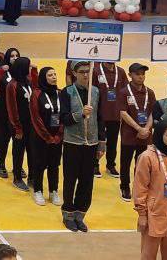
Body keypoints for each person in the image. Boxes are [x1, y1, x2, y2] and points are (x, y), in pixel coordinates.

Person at [134, 119, 167, 260]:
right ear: (159, 135)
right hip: (154, 214)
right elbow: (140, 188)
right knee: (148, 256)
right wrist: (142, 214)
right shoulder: (147, 157)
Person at [60, 61, 104, 233]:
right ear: (74, 73)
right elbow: (64, 118)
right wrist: (80, 114)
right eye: (82, 72)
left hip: (91, 143)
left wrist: (101, 143)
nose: (86, 75)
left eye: (88, 71)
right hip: (72, 142)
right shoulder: (67, 92)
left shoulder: (96, 92)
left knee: (87, 181)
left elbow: (100, 118)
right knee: (70, 179)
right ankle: (68, 214)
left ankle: (80, 214)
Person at [118, 63, 156, 202]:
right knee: (125, 162)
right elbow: (123, 113)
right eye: (137, 74)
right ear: (130, 75)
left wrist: (146, 129)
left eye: (143, 74)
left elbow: (152, 112)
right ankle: (124, 186)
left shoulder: (149, 92)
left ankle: (139, 186)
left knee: (142, 163)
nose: (141, 77)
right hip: (129, 134)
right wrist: (139, 129)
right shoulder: (124, 92)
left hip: (145, 135)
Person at [27, 66, 63, 206]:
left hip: (57, 137)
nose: (54, 77)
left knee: (54, 165)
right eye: (50, 75)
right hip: (40, 137)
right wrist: (47, 136)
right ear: (43, 78)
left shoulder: (60, 93)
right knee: (39, 164)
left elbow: (63, 115)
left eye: (54, 74)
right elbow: (35, 118)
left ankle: (53, 191)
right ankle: (38, 190)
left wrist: (59, 134)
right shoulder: (36, 94)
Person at [95, 59, 129, 177]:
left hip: (115, 113)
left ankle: (110, 165)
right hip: (100, 113)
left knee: (113, 142)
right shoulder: (96, 71)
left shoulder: (121, 72)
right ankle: (95, 164)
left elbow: (126, 92)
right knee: (98, 140)